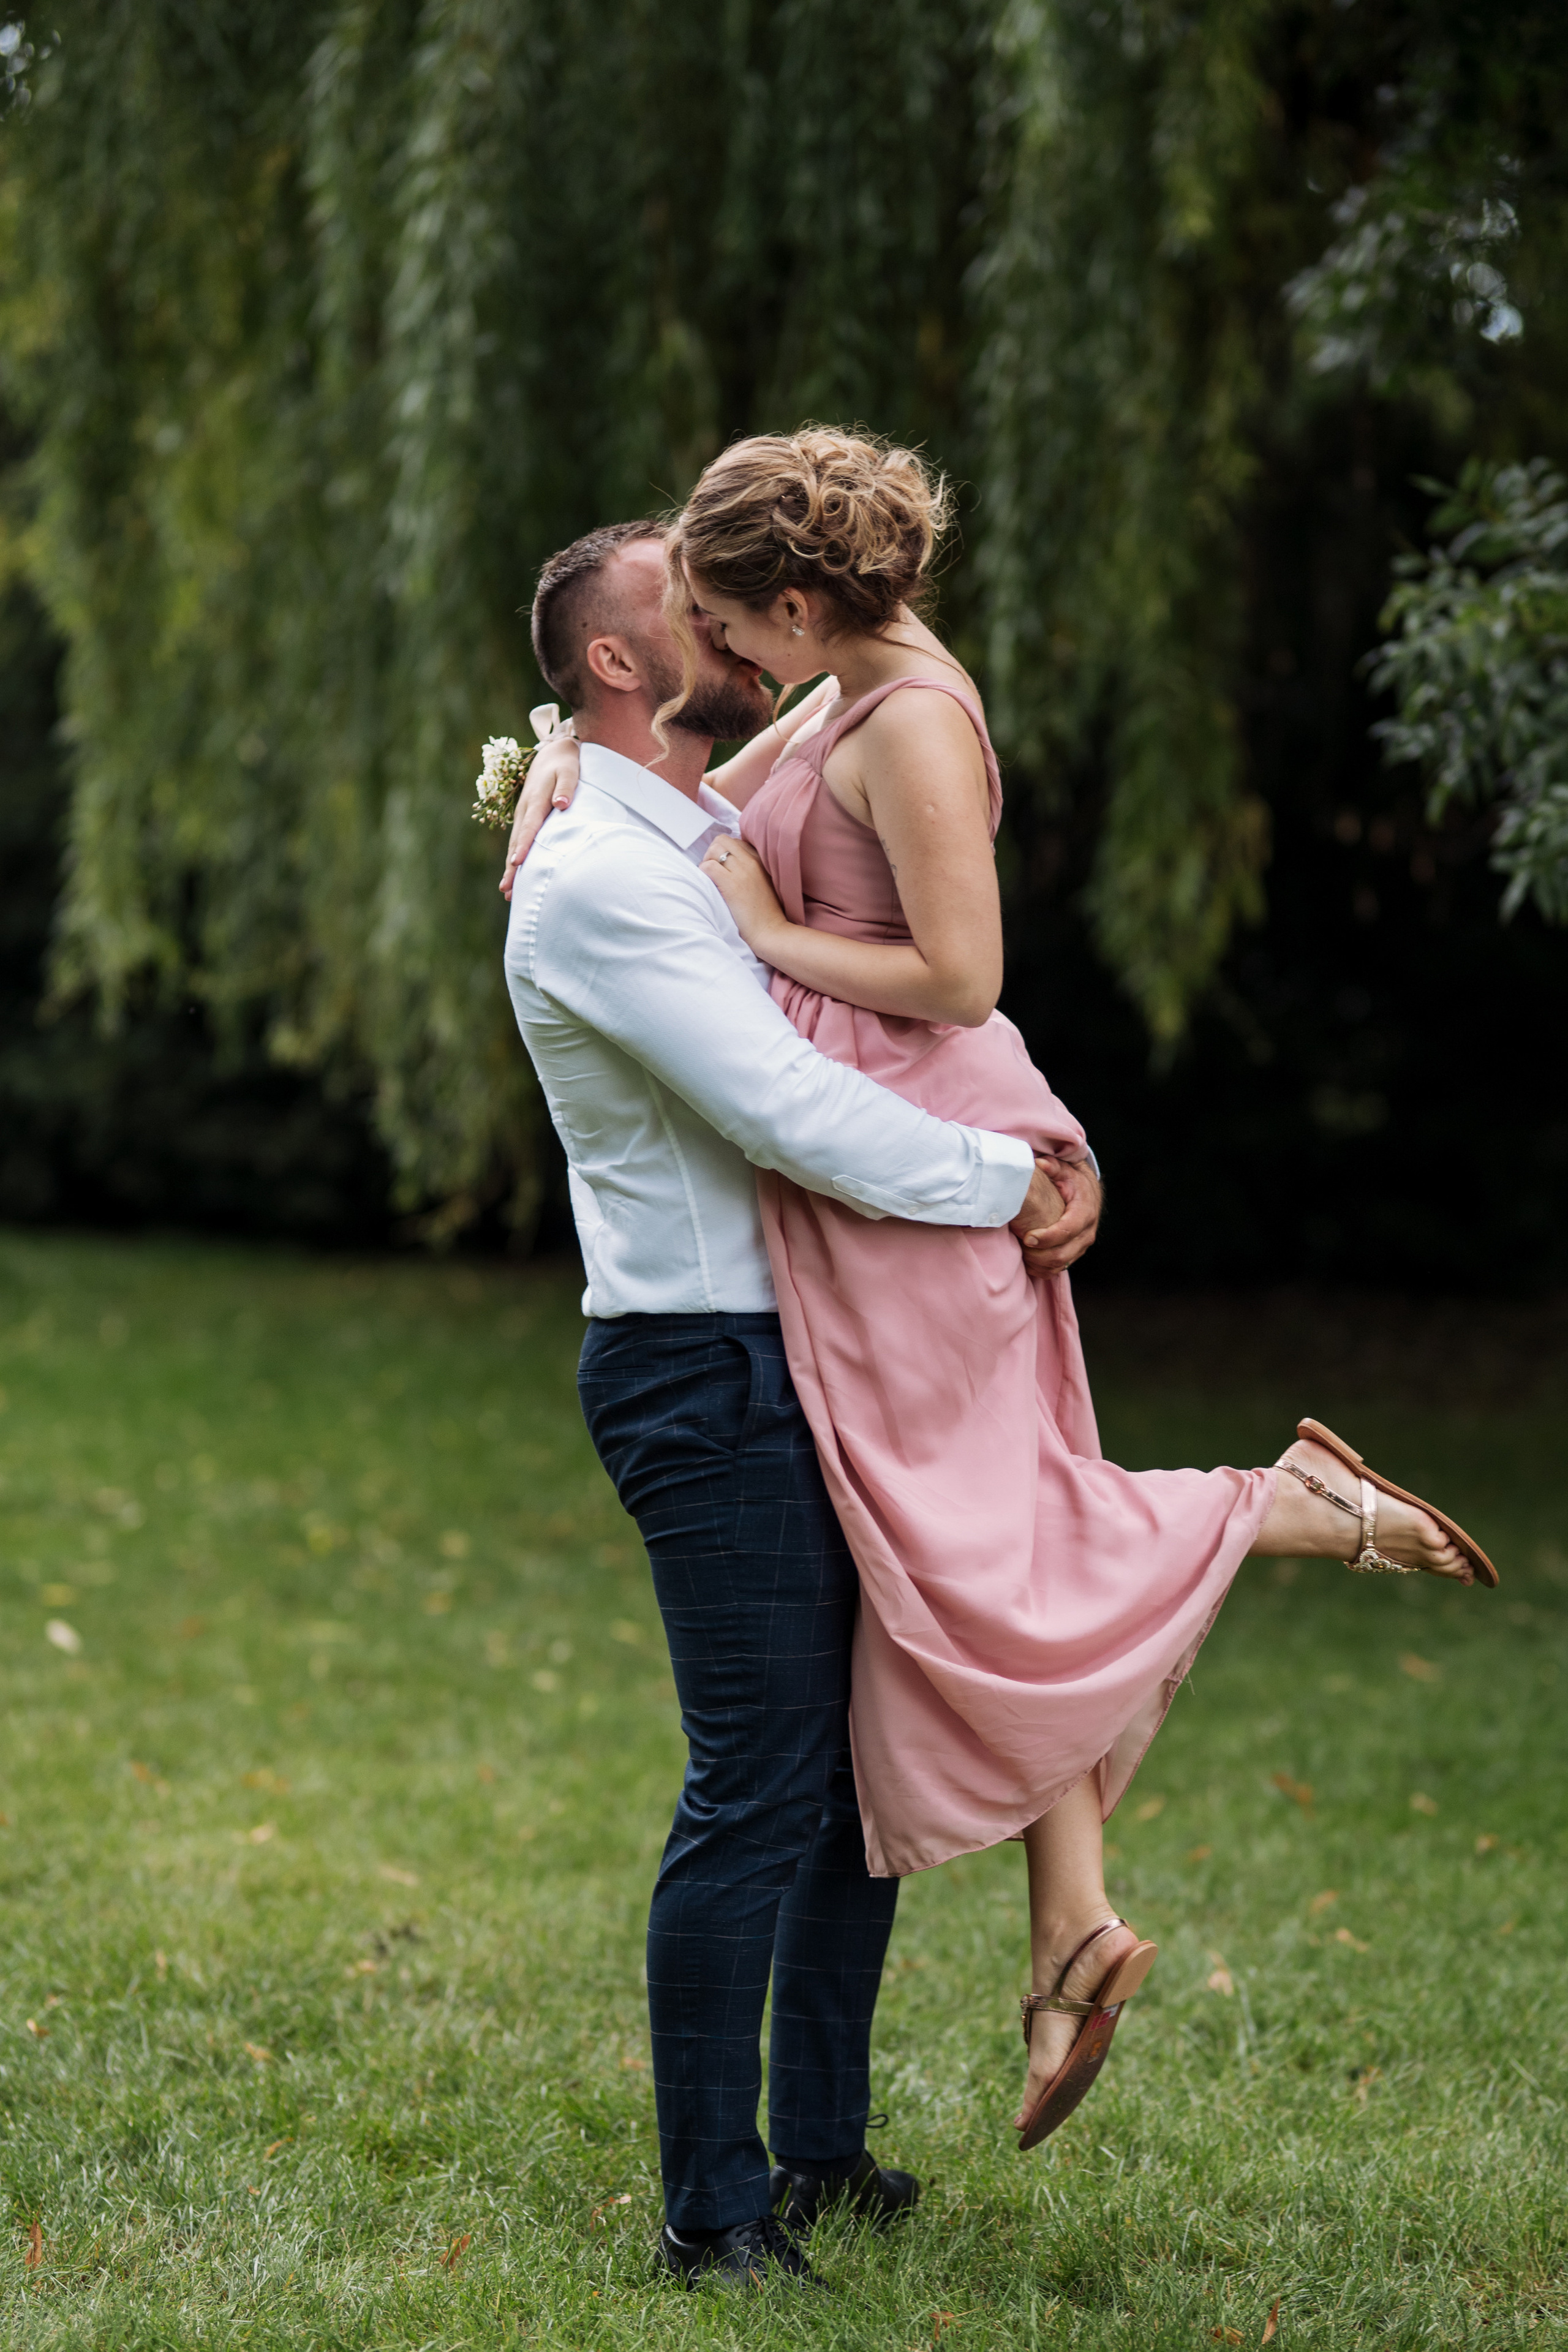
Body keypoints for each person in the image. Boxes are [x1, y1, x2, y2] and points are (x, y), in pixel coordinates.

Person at [507, 433, 1497, 2171]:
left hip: (887, 1210)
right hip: (788, 1278)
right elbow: (764, 1036)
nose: (728, 648)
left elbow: (946, 986)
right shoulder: (771, 734)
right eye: (697, 616)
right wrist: (549, 773)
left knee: (961, 1597)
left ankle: (867, 2110)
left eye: (734, 608)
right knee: (893, 1659)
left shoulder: (869, 709)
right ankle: (780, 2157)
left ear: (796, 607)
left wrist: (1011, 1155)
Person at [499, 519, 1094, 2290]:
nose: (737, 619)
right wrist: (1014, 1177)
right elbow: (782, 1108)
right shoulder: (601, 879)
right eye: (691, 600)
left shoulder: (679, 823)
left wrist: (534, 755)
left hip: (814, 1344)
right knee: (754, 1792)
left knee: (851, 1781)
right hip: (709, 1367)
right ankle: (714, 2210)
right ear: (623, 661)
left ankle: (824, 2148)